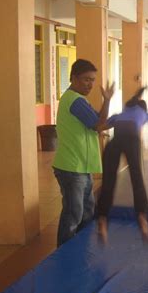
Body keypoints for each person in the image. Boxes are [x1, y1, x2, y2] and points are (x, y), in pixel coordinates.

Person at [53, 59, 115, 247]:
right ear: (73, 78)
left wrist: (106, 107)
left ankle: (81, 249)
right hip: (71, 167)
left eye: (93, 80)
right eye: (86, 79)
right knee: (73, 213)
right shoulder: (75, 101)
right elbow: (100, 124)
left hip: (82, 166)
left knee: (87, 211)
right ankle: (63, 254)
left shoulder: (80, 100)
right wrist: (109, 103)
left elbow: (98, 121)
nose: (90, 84)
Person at [96, 87, 148, 243]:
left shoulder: (119, 115)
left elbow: (100, 127)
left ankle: (102, 221)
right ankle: (142, 219)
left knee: (108, 182)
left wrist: (101, 132)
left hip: (113, 143)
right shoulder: (143, 113)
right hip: (131, 141)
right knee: (137, 179)